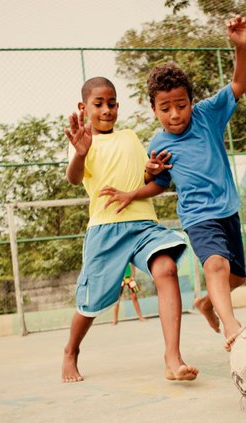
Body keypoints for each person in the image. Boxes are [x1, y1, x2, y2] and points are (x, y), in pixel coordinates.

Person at [102, 15, 246, 351]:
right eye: (165, 108)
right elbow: (160, 183)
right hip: (198, 217)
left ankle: (207, 303)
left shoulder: (208, 115)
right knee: (216, 264)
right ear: (154, 110)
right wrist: (138, 186)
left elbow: (239, 84)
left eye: (181, 105)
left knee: (237, 276)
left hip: (227, 209)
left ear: (191, 102)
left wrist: (241, 47)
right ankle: (231, 324)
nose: (174, 114)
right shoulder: (158, 143)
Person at [61, 76, 198, 383]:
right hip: (106, 229)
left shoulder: (130, 138)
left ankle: (172, 358)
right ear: (84, 107)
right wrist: (80, 153)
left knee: (166, 269)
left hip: (143, 224)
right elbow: (73, 178)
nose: (106, 110)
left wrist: (152, 171)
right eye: (98, 104)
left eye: (111, 103)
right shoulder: (83, 141)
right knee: (89, 304)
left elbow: (146, 180)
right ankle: (71, 351)